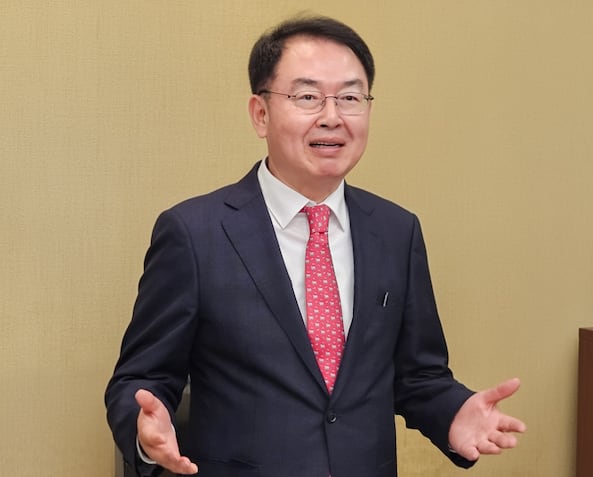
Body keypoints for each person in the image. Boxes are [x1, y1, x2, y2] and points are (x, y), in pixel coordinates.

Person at [105, 15, 526, 477]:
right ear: (260, 114)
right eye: (307, 97)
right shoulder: (194, 233)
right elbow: (141, 378)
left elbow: (419, 375)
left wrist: (453, 413)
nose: (332, 116)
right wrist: (146, 430)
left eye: (350, 97)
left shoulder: (396, 230)